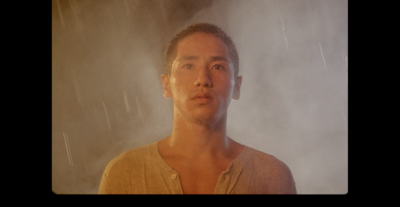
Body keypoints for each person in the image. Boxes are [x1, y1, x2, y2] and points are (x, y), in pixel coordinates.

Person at [98, 23, 296, 194]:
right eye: (188, 66)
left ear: (236, 86)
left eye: (217, 66)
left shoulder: (272, 176)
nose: (203, 79)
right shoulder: (124, 173)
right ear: (166, 85)